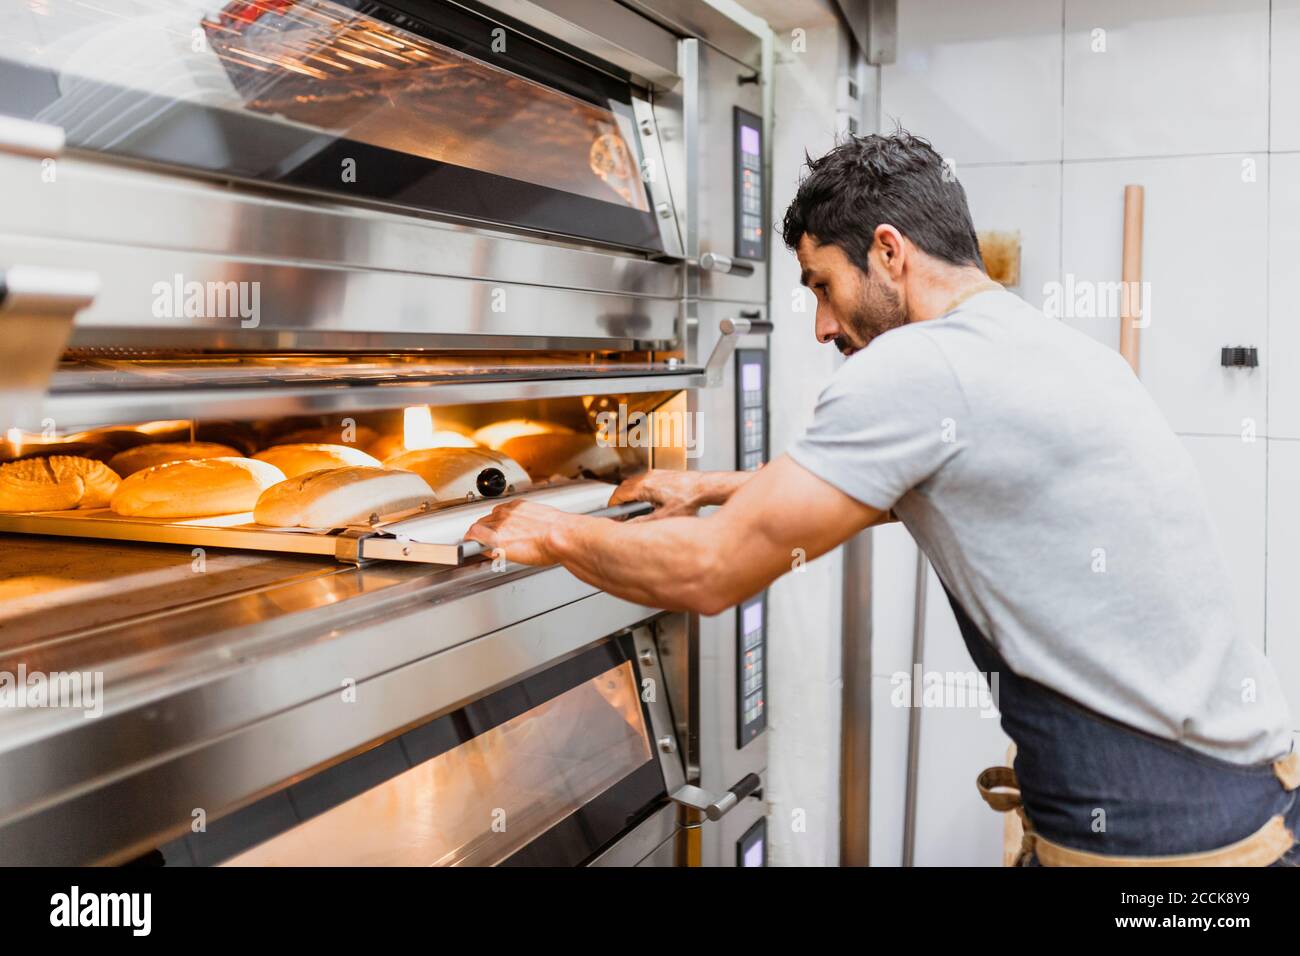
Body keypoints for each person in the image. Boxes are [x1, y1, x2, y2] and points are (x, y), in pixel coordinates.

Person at [466, 130, 1297, 866]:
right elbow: (887, 481)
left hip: (1166, 848)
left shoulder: (916, 367)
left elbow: (711, 574)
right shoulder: (1034, 344)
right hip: (1242, 798)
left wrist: (552, 532)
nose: (822, 327)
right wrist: (706, 483)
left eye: (822, 285)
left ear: (890, 252)